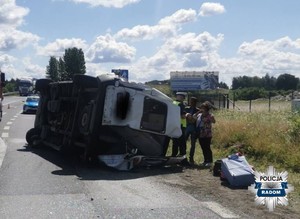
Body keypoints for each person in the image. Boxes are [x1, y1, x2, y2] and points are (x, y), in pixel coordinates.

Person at [193, 101, 216, 167]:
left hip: (207, 134)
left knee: (207, 147)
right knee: (203, 148)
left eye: (203, 108)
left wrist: (211, 118)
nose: (201, 109)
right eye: (201, 108)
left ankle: (210, 161)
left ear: (206, 108)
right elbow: (194, 117)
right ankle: (205, 160)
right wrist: (198, 112)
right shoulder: (199, 115)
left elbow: (214, 121)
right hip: (200, 134)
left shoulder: (210, 115)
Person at [172, 92, 189, 166]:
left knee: (175, 143)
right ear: (181, 97)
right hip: (181, 126)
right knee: (182, 144)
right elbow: (183, 116)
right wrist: (187, 115)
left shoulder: (173, 103)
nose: (183, 99)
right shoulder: (180, 105)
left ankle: (173, 158)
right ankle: (183, 160)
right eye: (183, 97)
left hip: (173, 125)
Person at [185, 97, 199, 164]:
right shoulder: (186, 108)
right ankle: (184, 157)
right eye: (191, 101)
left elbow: (197, 120)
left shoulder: (197, 110)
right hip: (186, 127)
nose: (192, 103)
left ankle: (191, 158)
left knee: (193, 144)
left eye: (193, 102)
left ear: (195, 102)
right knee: (183, 143)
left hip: (194, 129)